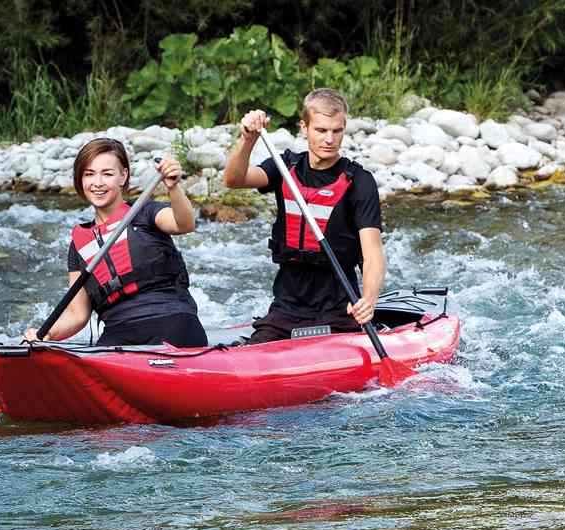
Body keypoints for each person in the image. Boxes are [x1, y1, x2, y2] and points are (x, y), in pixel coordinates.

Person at [222, 88, 385, 343]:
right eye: (321, 130)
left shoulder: (360, 182)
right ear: (304, 127)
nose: (329, 139)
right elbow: (233, 179)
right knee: (257, 351)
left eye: (337, 130)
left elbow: (373, 254)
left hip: (340, 308)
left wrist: (369, 300)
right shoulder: (285, 167)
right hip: (287, 306)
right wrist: (247, 139)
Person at [23, 137, 207, 347]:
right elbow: (77, 314)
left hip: (172, 321)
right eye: (89, 174)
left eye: (107, 174)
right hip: (118, 334)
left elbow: (183, 224)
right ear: (80, 180)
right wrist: (44, 335)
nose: (98, 183)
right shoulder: (79, 245)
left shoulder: (146, 212)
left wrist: (174, 188)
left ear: (123, 176)